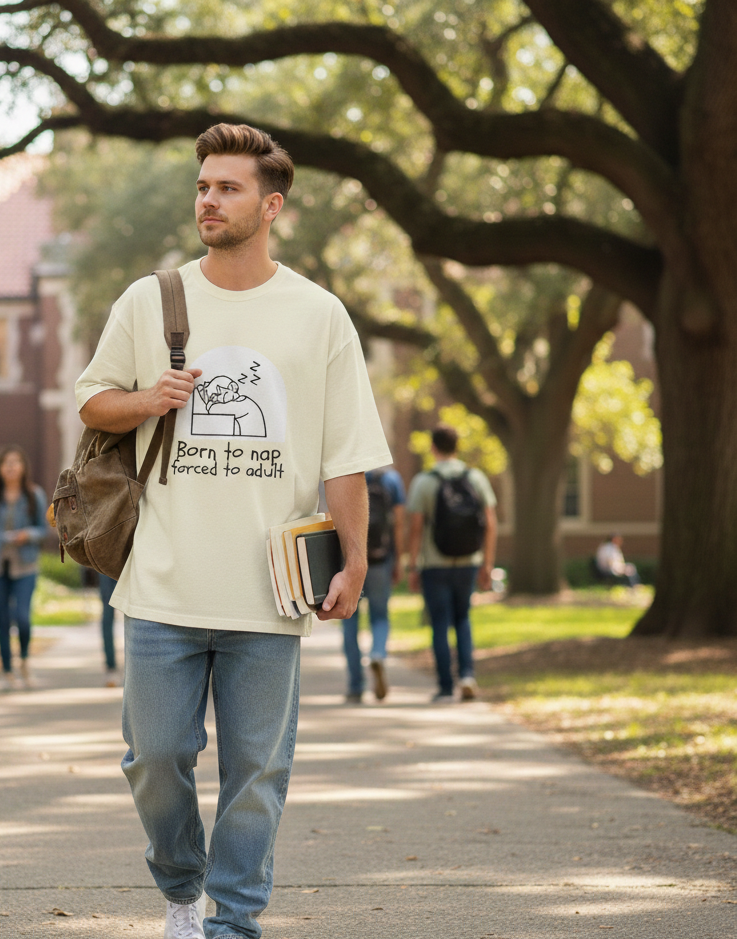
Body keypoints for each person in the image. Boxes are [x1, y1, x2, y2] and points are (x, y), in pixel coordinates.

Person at [75, 123, 391, 939]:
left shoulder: (319, 315)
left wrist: (356, 562)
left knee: (257, 774)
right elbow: (92, 400)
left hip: (270, 595)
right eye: (203, 186)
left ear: (271, 205)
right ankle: (182, 885)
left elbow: (347, 458)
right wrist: (149, 398)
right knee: (153, 758)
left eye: (228, 188)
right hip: (163, 586)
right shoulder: (151, 301)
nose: (208, 200)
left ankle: (233, 922)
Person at [406, 424, 497, 703]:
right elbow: (490, 523)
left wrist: (413, 566)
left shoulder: (424, 481)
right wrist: (487, 564)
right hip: (469, 561)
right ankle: (467, 676)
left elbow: (416, 529)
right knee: (463, 618)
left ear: (433, 447)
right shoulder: (476, 478)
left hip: (435, 564)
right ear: (457, 446)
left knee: (440, 623)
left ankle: (445, 687)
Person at [0, 446, 49, 691]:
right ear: (0, 468)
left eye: (16, 462)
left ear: (24, 467)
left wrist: (28, 534)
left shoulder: (34, 495)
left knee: (23, 619)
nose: (11, 466)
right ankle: (7, 671)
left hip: (25, 566)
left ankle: (24, 661)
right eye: (6, 462)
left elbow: (44, 529)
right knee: (3, 620)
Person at [342, 465, 405, 703]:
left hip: (348, 561)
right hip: (380, 559)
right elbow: (398, 523)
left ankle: (355, 685)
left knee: (349, 620)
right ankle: (378, 653)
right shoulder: (391, 479)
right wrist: (398, 559)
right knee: (380, 616)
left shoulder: (344, 473)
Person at [97, 572, 120, 685]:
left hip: (133, 563)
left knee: (136, 614)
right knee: (107, 614)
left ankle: (111, 668)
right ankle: (110, 667)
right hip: (107, 566)